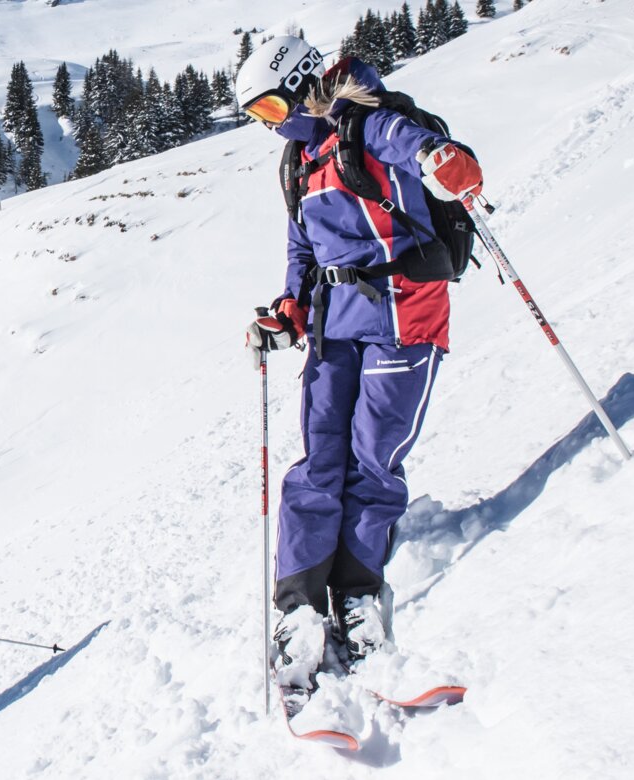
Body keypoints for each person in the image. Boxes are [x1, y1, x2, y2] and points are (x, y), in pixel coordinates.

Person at [234, 37, 484, 714]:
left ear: (297, 83)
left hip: (405, 310)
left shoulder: (362, 121)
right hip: (333, 321)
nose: (265, 122)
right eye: (253, 114)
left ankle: (358, 595)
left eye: (266, 105)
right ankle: (300, 610)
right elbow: (301, 250)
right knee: (320, 461)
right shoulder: (298, 162)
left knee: (373, 462)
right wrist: (288, 313)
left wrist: (441, 158)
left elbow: (412, 142)